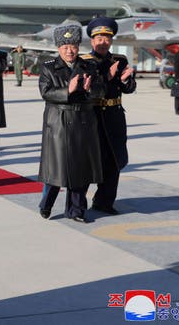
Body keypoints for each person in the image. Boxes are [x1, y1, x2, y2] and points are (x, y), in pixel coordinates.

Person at [37, 24, 103, 222]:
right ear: (58, 48)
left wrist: (91, 90)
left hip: (83, 122)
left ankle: (76, 210)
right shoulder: (49, 67)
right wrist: (69, 90)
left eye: (73, 46)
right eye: (65, 46)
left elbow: (100, 92)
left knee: (80, 171)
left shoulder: (88, 67)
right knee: (55, 171)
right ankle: (46, 204)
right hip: (58, 123)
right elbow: (46, 93)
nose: (70, 50)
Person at [82, 17, 136, 215]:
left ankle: (104, 201)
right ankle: (77, 203)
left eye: (107, 38)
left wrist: (125, 81)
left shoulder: (120, 60)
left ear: (112, 40)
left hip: (114, 116)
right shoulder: (85, 62)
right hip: (93, 117)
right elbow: (91, 90)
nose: (103, 42)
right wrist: (108, 78)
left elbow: (129, 88)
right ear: (92, 41)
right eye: (99, 38)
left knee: (115, 160)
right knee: (90, 161)